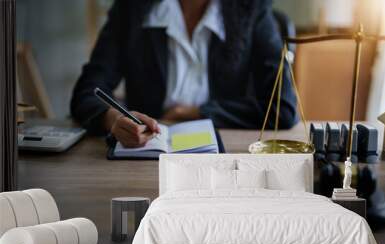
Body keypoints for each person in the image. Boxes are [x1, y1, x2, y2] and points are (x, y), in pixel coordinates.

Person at [71, 0, 298, 148]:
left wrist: (198, 112)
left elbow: (283, 109)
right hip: (147, 154)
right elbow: (87, 92)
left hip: (223, 154)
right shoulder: (131, 9)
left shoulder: (251, 9)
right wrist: (114, 119)